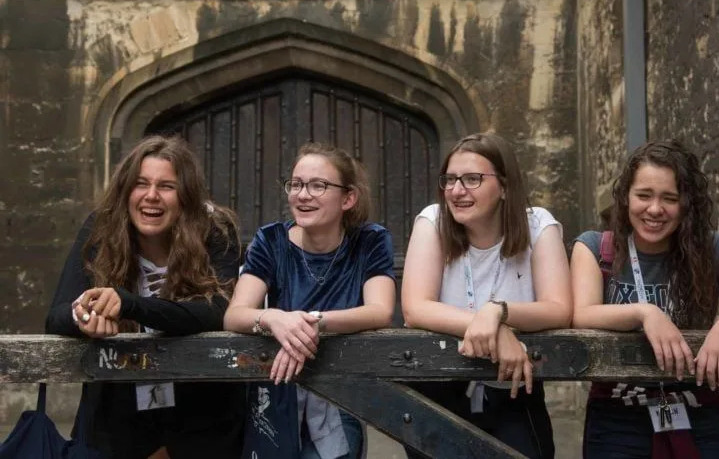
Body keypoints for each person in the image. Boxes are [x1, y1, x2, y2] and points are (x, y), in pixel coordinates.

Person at [45, 135, 245, 459]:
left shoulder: (217, 232)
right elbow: (56, 316)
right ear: (126, 192)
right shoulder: (101, 229)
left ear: (186, 196)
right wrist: (86, 317)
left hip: (203, 418)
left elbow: (216, 311)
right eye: (141, 184)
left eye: (167, 186)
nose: (151, 196)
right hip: (119, 421)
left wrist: (129, 304)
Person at [571, 139, 719, 459]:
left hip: (697, 413)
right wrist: (645, 313)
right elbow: (580, 314)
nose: (654, 209)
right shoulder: (596, 247)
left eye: (669, 198)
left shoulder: (711, 248)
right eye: (644, 195)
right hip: (617, 418)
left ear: (686, 204)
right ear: (625, 198)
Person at [400, 131, 572, 459]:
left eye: (472, 179)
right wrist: (496, 332)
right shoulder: (432, 221)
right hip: (439, 389)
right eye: (450, 179)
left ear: (505, 186)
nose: (456, 190)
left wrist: (497, 312)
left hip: (514, 389)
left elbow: (560, 308)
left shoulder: (538, 225)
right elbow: (415, 308)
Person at [223, 142, 396, 459]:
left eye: (319, 186)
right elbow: (235, 315)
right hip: (276, 394)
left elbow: (381, 311)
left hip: (338, 400)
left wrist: (313, 322)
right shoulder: (271, 239)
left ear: (348, 198)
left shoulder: (370, 240)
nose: (302, 195)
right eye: (297, 184)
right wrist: (275, 318)